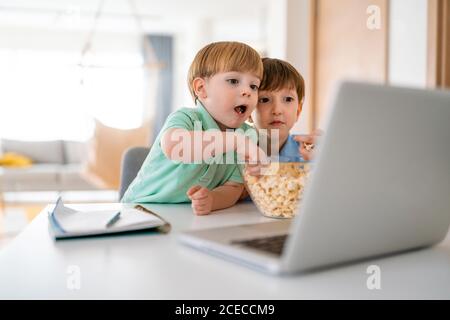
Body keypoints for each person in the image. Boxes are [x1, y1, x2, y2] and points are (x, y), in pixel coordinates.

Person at [122, 41, 267, 215]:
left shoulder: (247, 135)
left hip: (185, 216)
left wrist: (212, 199)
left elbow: (234, 187)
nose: (247, 91)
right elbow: (176, 146)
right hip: (139, 210)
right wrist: (236, 142)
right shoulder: (186, 118)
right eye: (234, 81)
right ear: (201, 88)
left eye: (254, 86)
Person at [249, 57, 322, 166]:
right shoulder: (233, 155)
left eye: (288, 99)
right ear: (248, 112)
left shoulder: (311, 153)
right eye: (264, 100)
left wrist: (327, 160)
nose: (277, 110)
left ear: (298, 110)